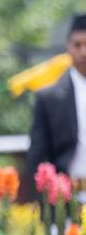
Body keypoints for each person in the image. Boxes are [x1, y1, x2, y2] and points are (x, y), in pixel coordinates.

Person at [27, 13, 86, 186]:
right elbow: (38, 155)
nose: (83, 52)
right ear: (68, 46)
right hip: (66, 195)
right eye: (77, 45)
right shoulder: (49, 98)